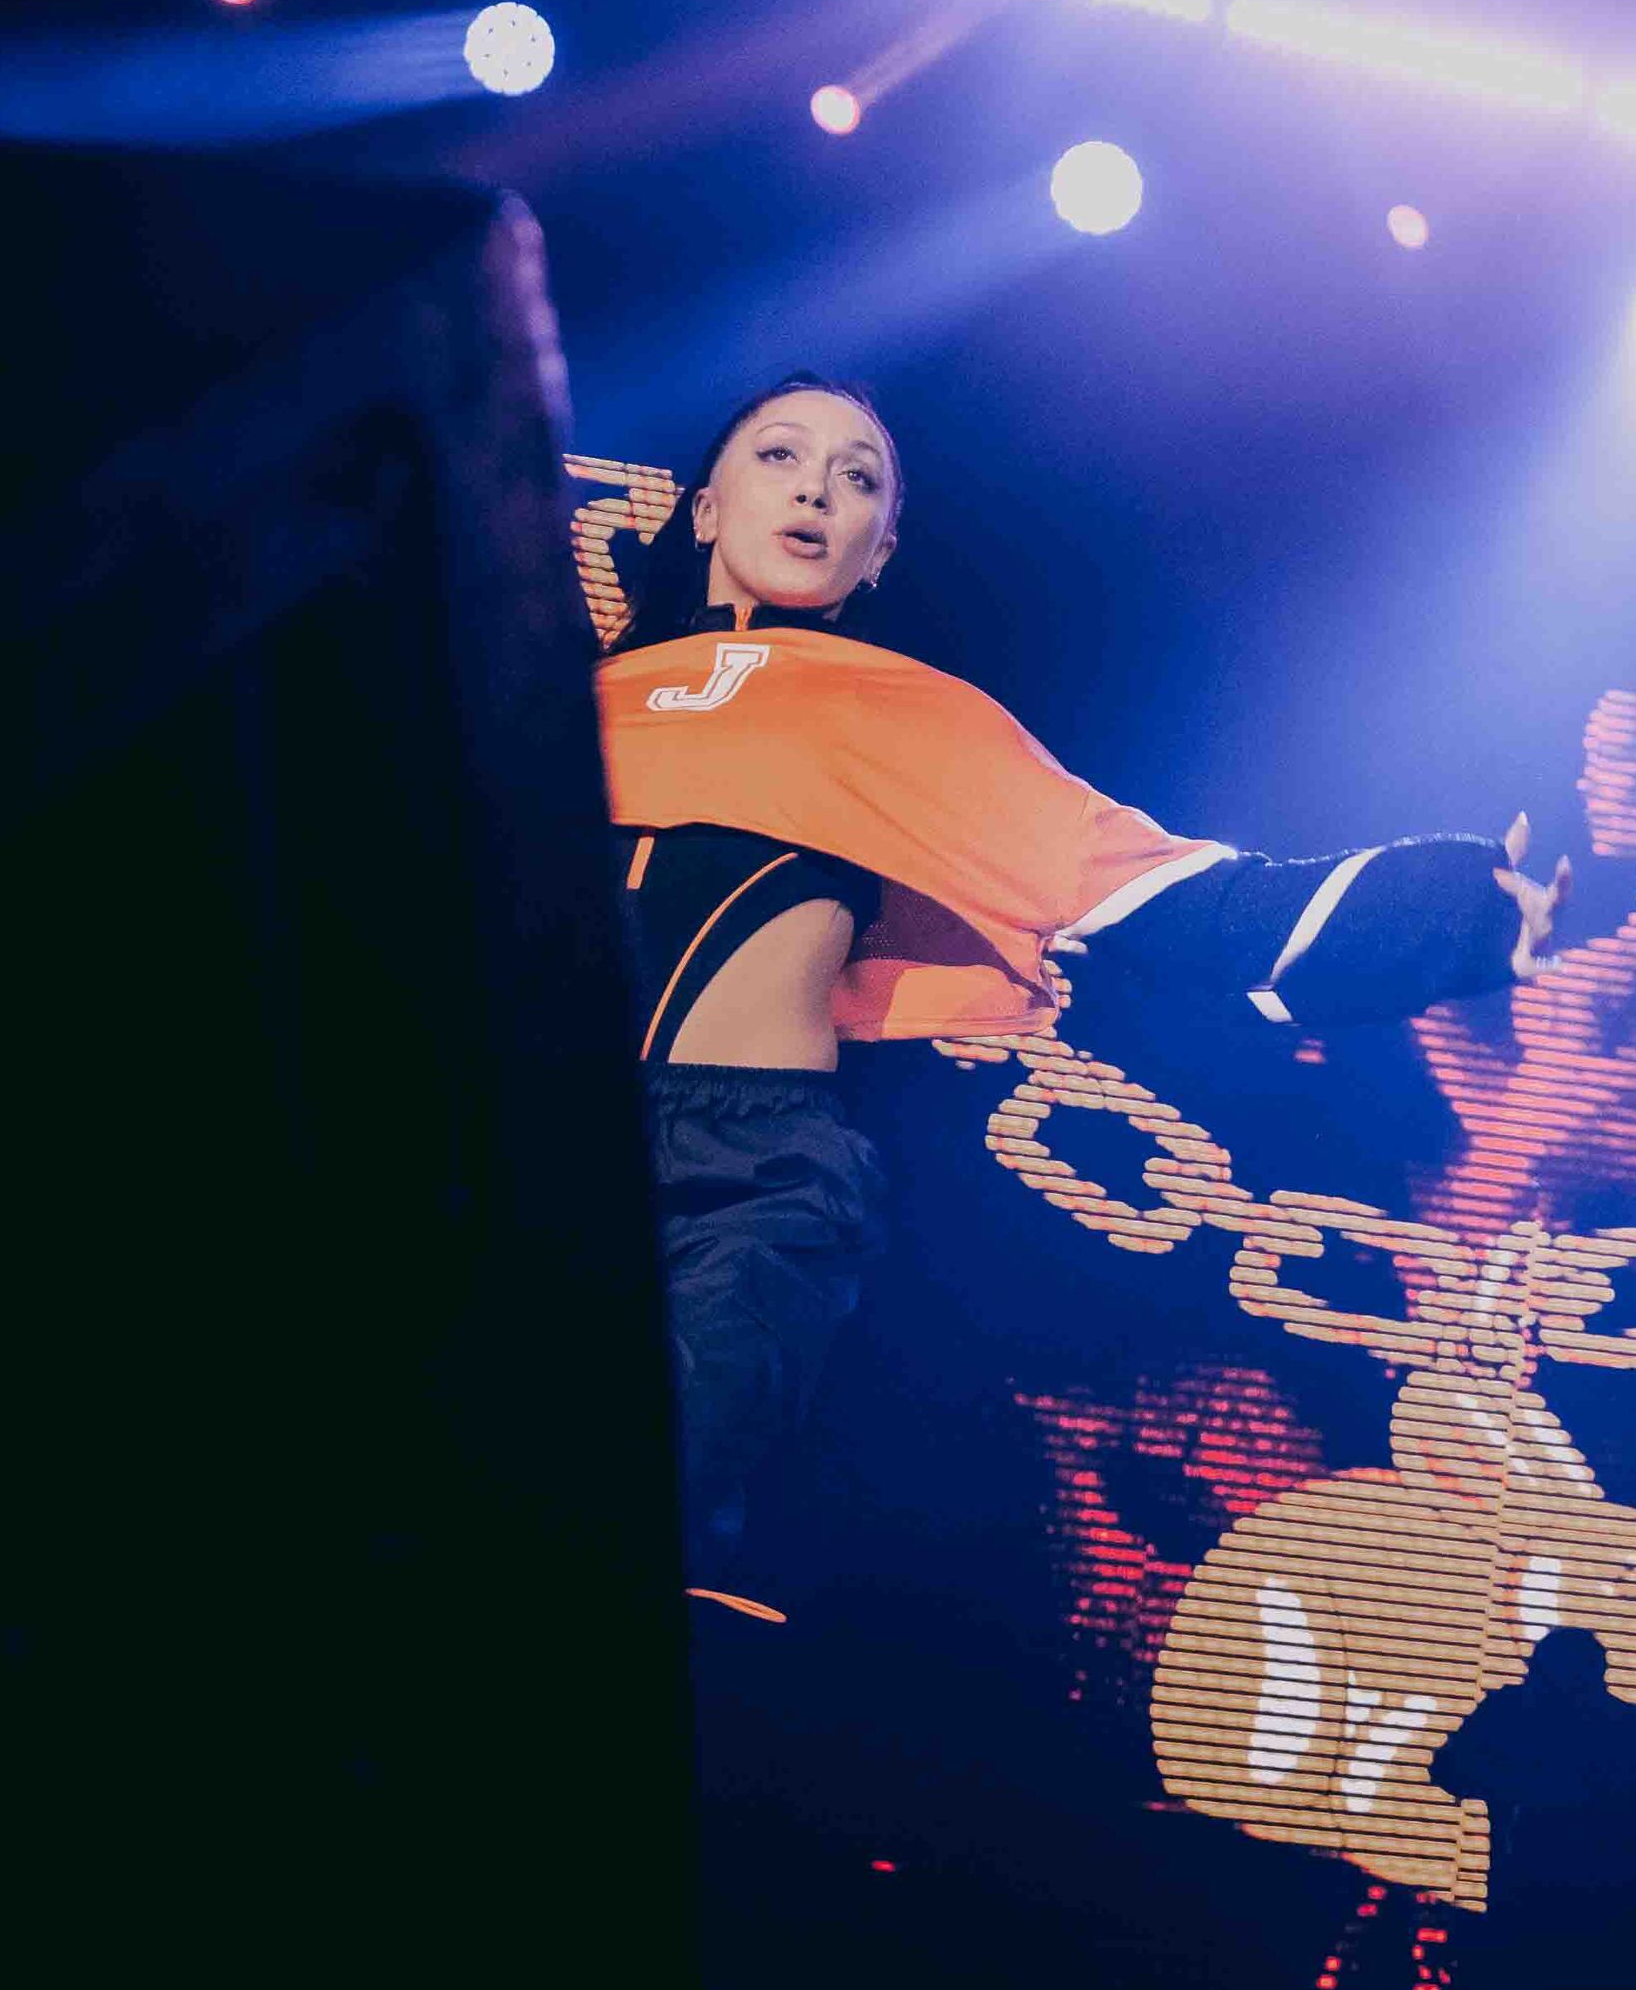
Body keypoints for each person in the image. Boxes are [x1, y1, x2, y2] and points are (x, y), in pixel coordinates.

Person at [596, 372, 1562, 1576]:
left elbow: (1169, 895)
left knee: (636, 1492)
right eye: (781, 456)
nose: (816, 490)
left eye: (858, 480)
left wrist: (1455, 913)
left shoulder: (906, 718)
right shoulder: (579, 706)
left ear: (878, 552)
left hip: (747, 1176)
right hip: (518, 1137)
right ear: (703, 507)